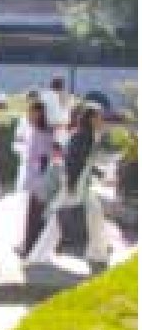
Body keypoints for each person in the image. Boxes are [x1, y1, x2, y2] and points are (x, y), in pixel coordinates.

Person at [25, 105, 113, 266]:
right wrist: (71, 184)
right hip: (74, 184)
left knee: (94, 213)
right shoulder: (82, 136)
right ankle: (37, 256)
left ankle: (97, 252)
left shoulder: (89, 135)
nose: (102, 120)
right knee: (57, 221)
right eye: (99, 117)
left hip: (80, 185)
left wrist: (100, 175)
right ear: (91, 119)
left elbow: (86, 163)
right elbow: (72, 161)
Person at [18, 101, 55, 257]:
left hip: (39, 179)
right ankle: (32, 247)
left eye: (31, 112)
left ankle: (31, 248)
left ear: (39, 113)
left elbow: (45, 157)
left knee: (36, 215)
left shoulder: (44, 132)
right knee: (35, 214)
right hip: (35, 176)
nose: (29, 115)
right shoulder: (35, 130)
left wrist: (41, 180)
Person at [40, 75, 73, 145]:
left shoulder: (45, 95)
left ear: (51, 85)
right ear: (63, 86)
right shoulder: (69, 97)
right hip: (62, 128)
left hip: (48, 128)